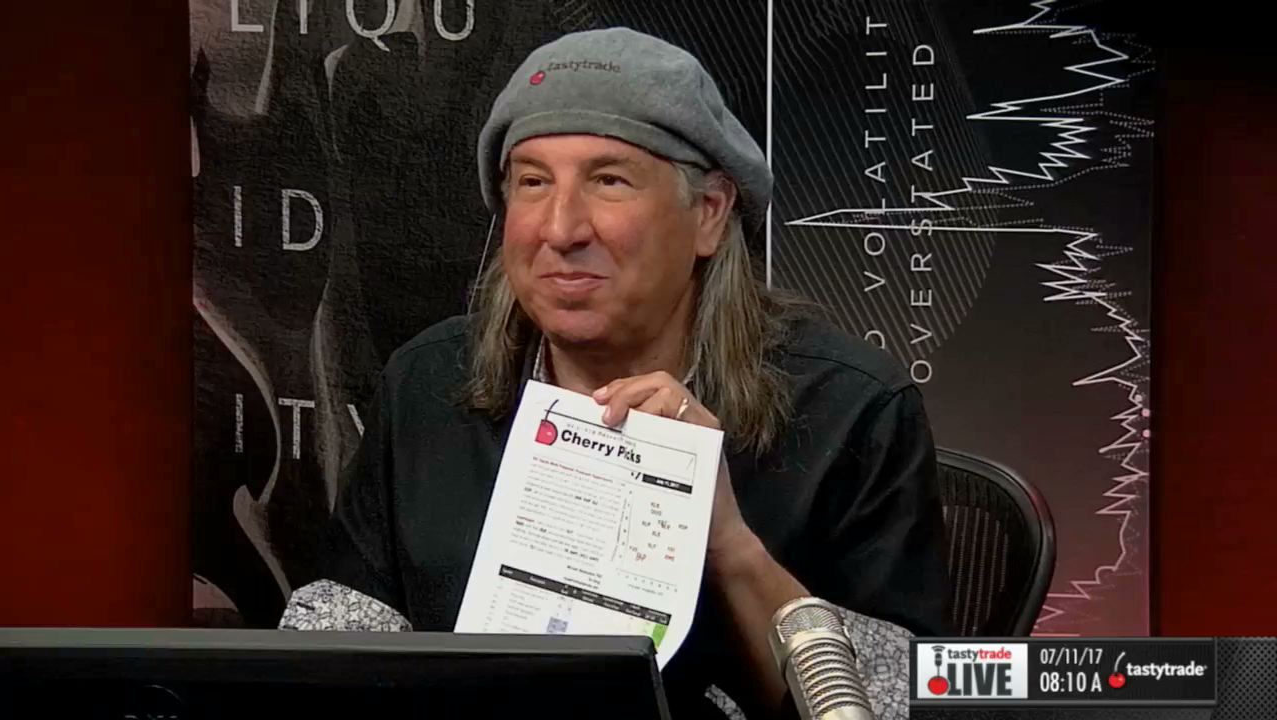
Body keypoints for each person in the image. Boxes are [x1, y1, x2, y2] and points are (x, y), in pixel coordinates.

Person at [308, 26, 950, 719]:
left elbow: (900, 703)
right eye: (532, 183)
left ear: (708, 214)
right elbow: (333, 646)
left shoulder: (854, 409)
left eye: (608, 181)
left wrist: (727, 544)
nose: (561, 229)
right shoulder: (426, 382)